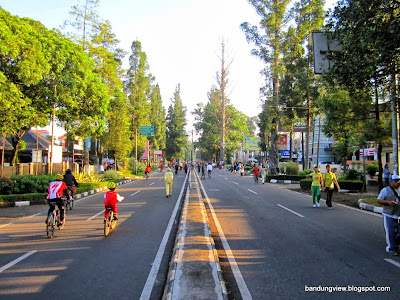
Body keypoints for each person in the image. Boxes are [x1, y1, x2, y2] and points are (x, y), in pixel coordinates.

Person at [377, 174, 400, 255]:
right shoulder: (385, 190)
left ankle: (396, 243)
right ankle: (391, 248)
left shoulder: (399, 190)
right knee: (390, 232)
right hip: (389, 215)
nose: (398, 182)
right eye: (396, 181)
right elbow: (379, 200)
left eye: (398, 181)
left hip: (398, 215)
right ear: (391, 182)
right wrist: (388, 202)